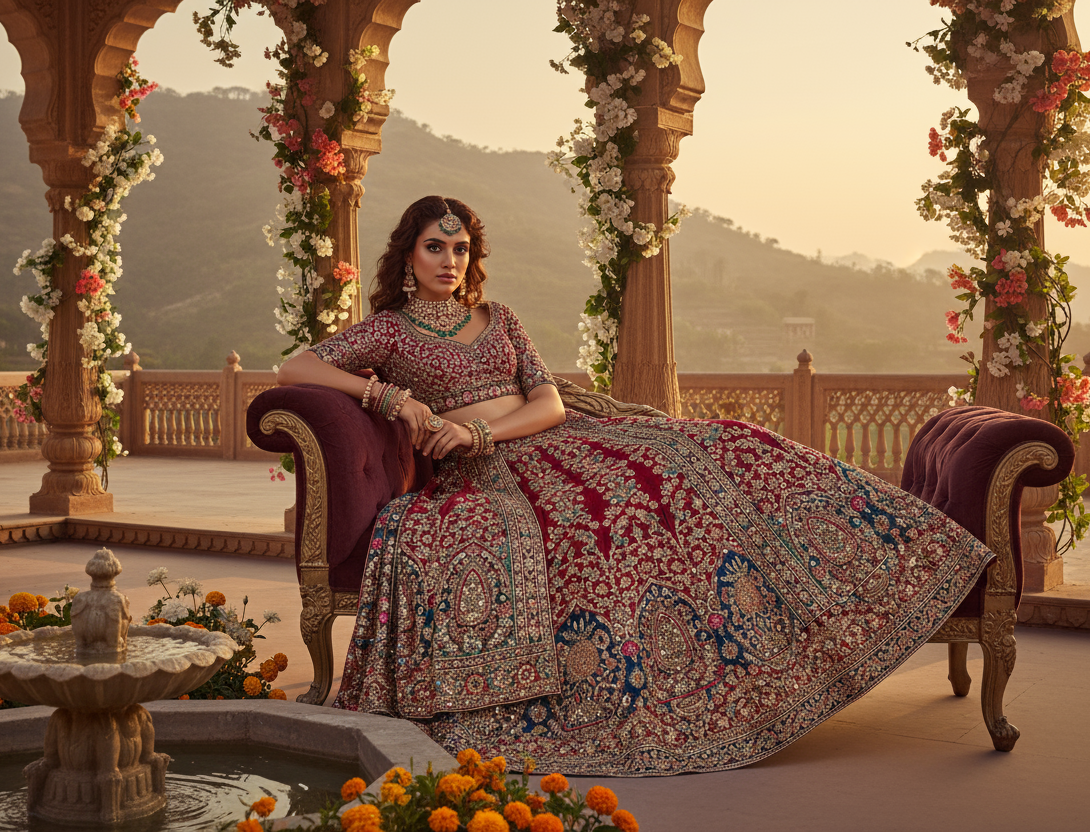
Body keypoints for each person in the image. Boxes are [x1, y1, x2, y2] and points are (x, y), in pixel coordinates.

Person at [276, 195, 991, 776]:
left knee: (707, 453)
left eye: (461, 248)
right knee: (615, 512)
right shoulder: (390, 332)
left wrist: (481, 429)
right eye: (436, 246)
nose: (450, 260)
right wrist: (388, 401)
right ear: (408, 255)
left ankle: (891, 556)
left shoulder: (501, 319)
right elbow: (296, 369)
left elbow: (550, 400)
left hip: (544, 437)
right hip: (489, 477)